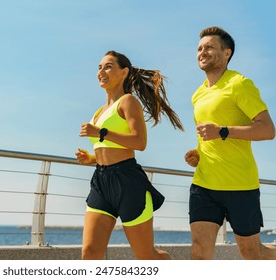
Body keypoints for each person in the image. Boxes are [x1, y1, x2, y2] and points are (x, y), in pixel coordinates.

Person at [76, 50, 184, 260]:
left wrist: (100, 132)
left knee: (146, 256)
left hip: (128, 182)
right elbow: (107, 148)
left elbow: (139, 142)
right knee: (89, 253)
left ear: (124, 72)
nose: (101, 71)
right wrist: (91, 158)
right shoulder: (98, 112)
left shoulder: (128, 101)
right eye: (99, 67)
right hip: (101, 181)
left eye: (108, 66)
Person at [185, 26, 276, 260]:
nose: (202, 52)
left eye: (209, 47)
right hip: (204, 184)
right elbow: (208, 136)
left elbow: (267, 130)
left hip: (240, 185)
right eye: (199, 48)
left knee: (252, 253)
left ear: (227, 53)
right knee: (199, 254)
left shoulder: (239, 84)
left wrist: (223, 131)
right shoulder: (198, 94)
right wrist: (197, 153)